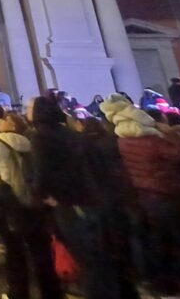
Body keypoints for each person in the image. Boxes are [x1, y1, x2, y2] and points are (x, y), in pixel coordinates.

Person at [30, 95, 136, 299]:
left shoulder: (41, 136)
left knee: (89, 263)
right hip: (94, 203)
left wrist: (39, 199)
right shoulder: (73, 135)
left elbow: (42, 172)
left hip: (70, 205)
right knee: (103, 260)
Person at [101, 94, 180, 297]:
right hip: (168, 195)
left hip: (145, 197)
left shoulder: (123, 142)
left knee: (161, 244)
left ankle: (166, 288)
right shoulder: (151, 140)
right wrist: (172, 134)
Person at [0, 112, 61, 299]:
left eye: (7, 120)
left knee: (13, 251)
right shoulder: (28, 143)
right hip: (31, 202)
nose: (2, 122)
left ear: (13, 126)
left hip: (7, 201)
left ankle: (18, 293)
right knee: (40, 250)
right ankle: (51, 292)